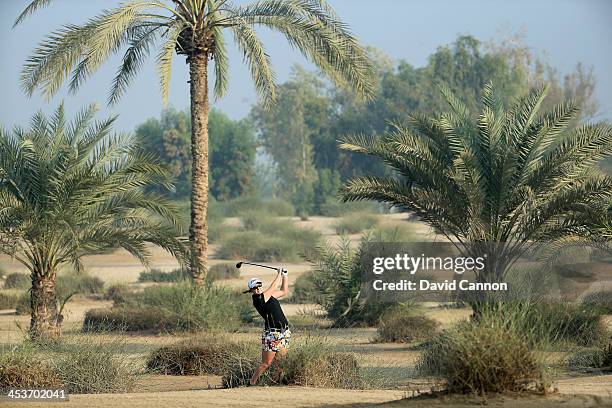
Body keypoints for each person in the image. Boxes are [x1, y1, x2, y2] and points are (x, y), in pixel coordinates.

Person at [244, 268, 291, 385]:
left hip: (284, 332)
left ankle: (279, 382)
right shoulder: (258, 299)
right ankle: (251, 383)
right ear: (251, 290)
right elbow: (274, 286)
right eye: (254, 288)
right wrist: (279, 273)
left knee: (281, 361)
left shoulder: (268, 296)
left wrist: (285, 275)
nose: (257, 289)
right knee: (266, 363)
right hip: (272, 334)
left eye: (258, 286)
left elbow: (284, 291)